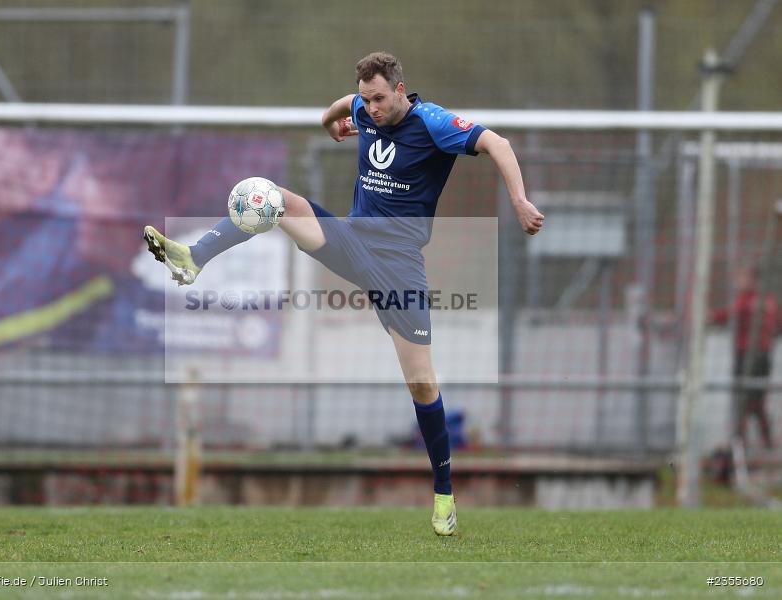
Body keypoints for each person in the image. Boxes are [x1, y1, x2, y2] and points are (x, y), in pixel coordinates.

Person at [144, 51, 543, 535]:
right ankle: (193, 258)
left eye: (379, 99)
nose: (371, 108)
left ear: (400, 90)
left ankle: (443, 494)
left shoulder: (434, 123)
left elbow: (497, 143)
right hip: (352, 241)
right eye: (366, 99)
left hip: (399, 266)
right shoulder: (361, 106)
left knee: (421, 382)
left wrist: (519, 200)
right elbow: (342, 104)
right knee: (271, 198)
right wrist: (330, 121)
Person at [710, 264, 779, 450]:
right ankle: (763, 443)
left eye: (741, 278)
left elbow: (726, 315)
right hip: (764, 356)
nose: (737, 282)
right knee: (756, 402)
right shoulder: (769, 300)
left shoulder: (746, 300)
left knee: (745, 402)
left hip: (747, 356)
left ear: (752, 280)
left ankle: (742, 445)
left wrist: (708, 317)